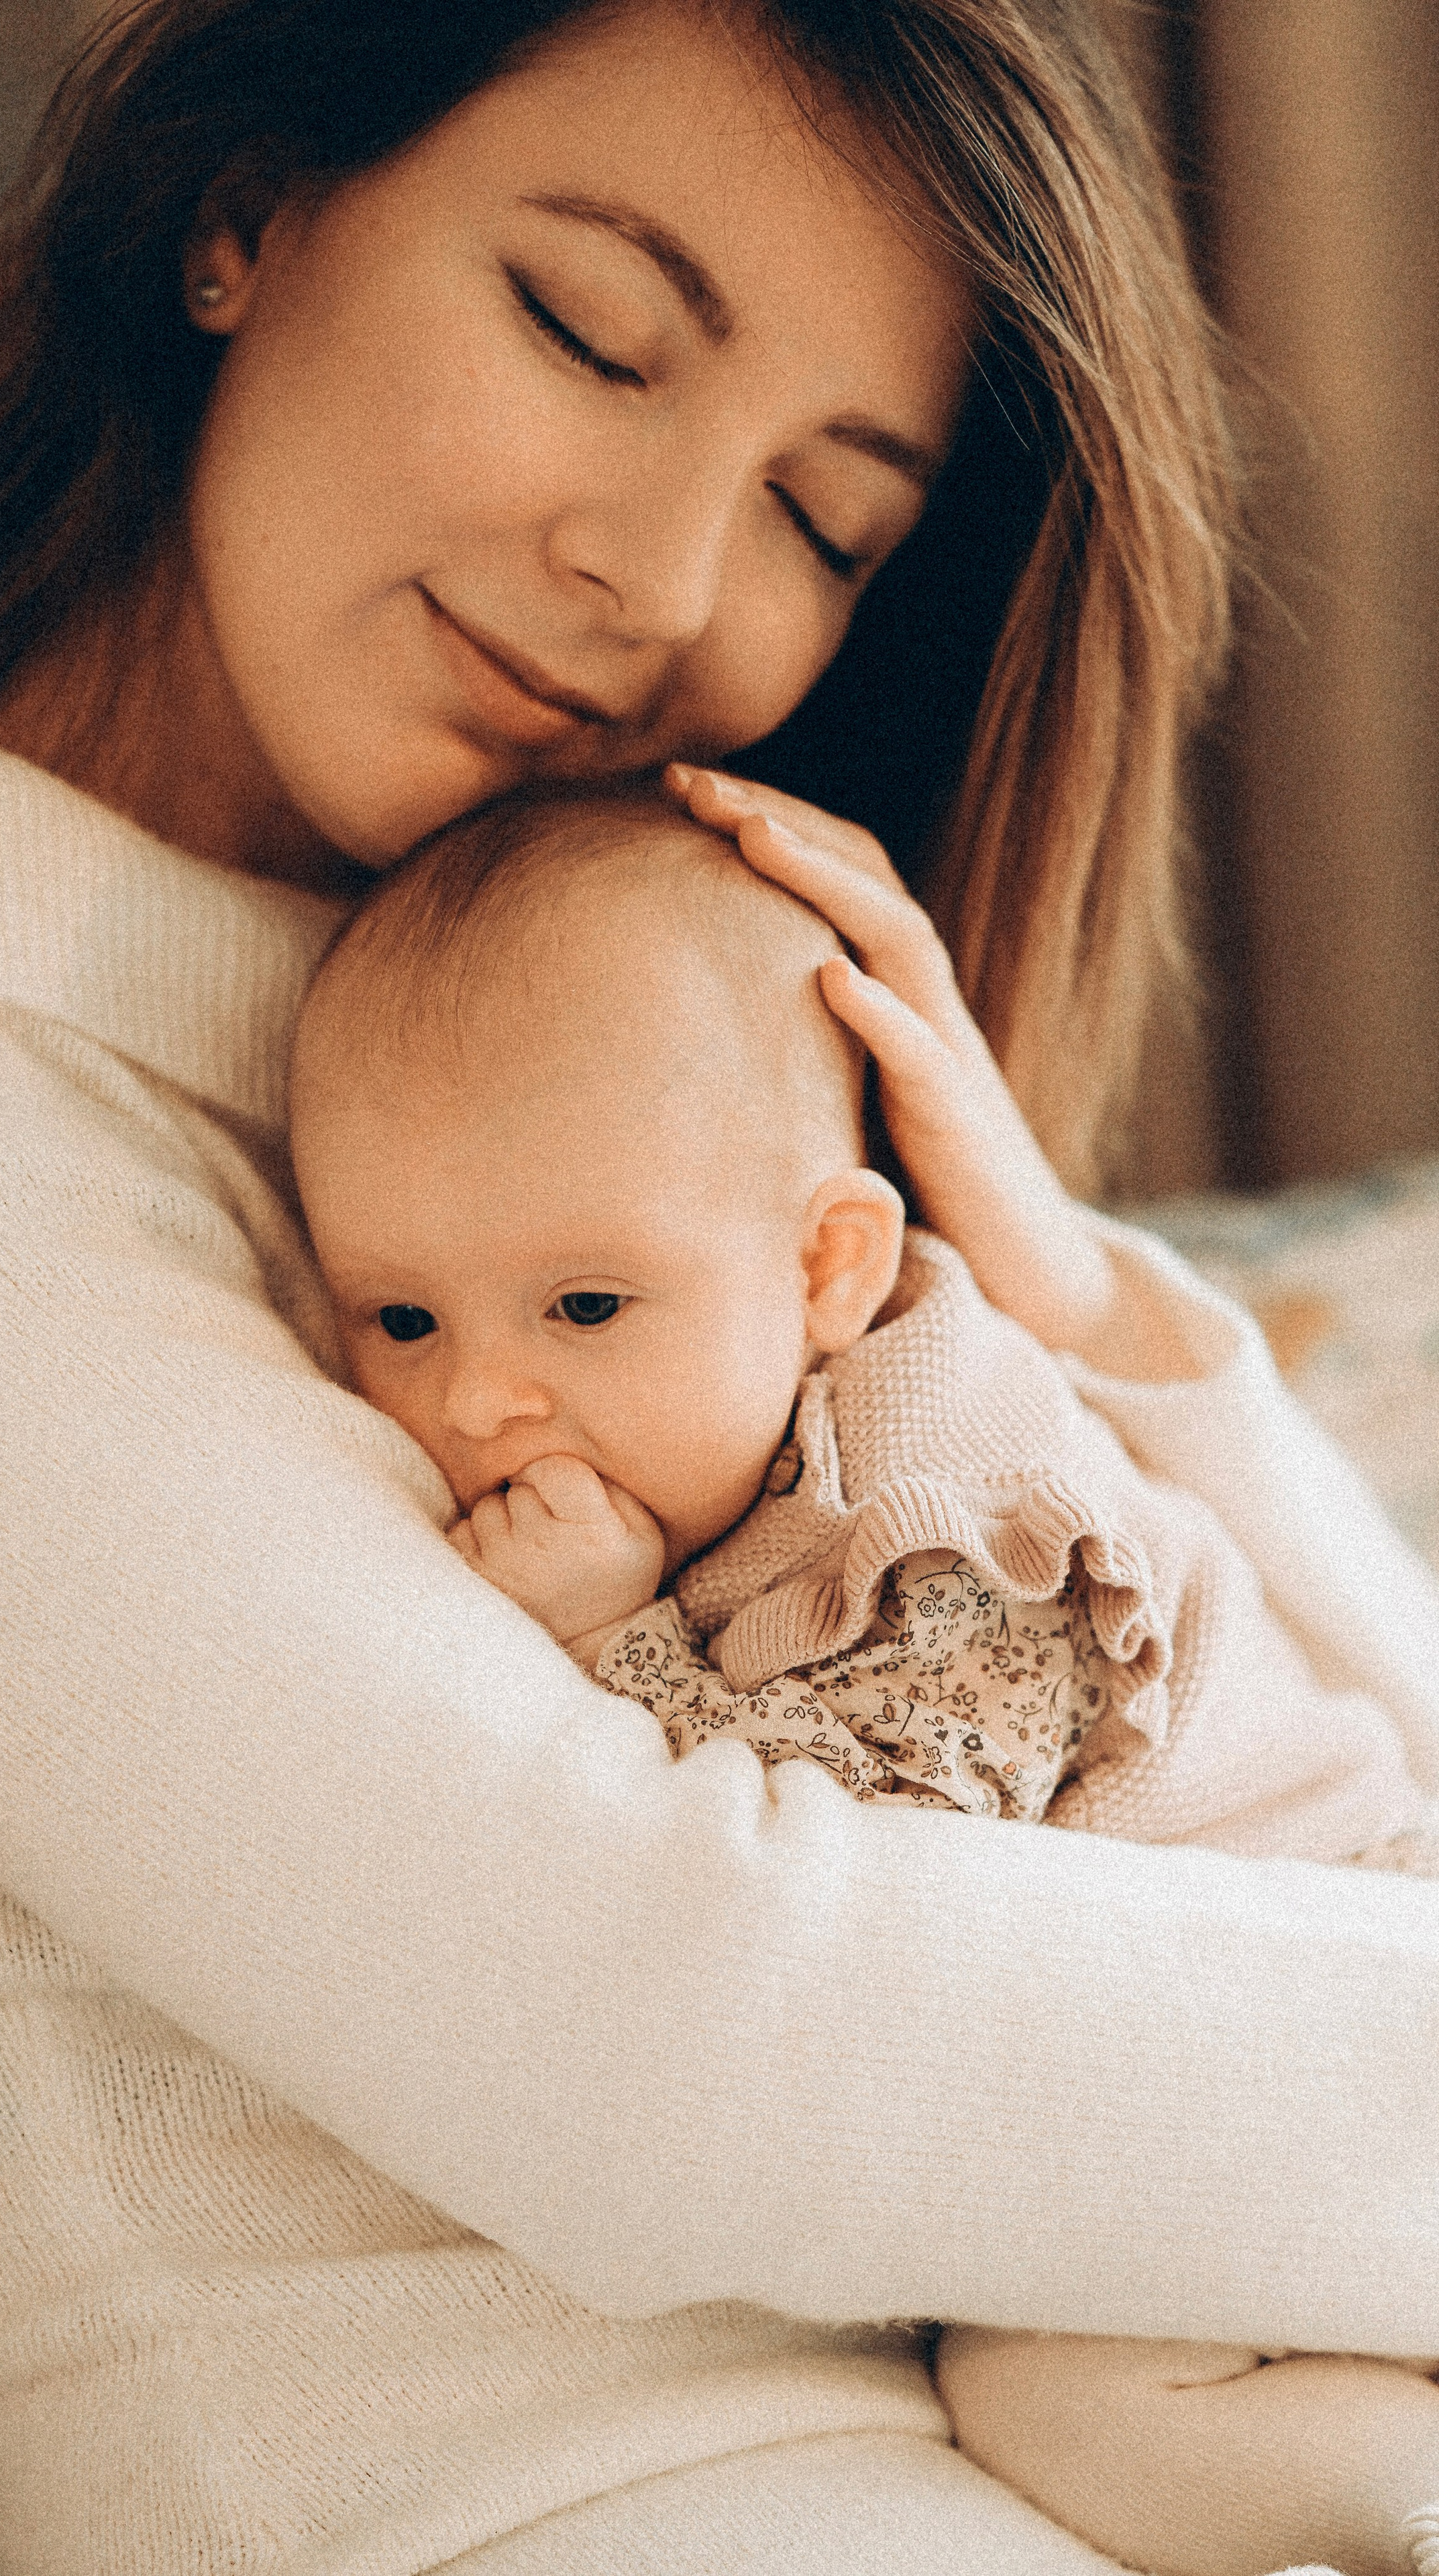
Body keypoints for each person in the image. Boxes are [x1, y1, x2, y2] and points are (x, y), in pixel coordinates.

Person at [0, 1, 1438, 2571]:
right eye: (589, 334)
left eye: (828, 524)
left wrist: (1064, 1299)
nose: (664, 583)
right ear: (245, 209)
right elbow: (650, 2039)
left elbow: (1339, 1799)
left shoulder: (550, 1081)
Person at [289, 779, 1439, 2576]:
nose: (477, 1400)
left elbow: (878, 1884)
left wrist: (611, 1647)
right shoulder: (755, 1445)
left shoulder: (934, 1511)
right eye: (403, 1318)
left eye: (585, 1309)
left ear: (833, 1264)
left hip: (1333, 2011)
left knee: (1059, 2403)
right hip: (1208, 2095)